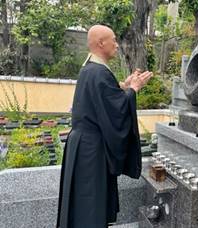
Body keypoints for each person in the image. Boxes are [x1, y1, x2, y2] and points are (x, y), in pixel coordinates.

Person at [56, 25, 153, 228]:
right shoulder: (99, 72)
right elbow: (115, 111)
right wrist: (133, 90)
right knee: (90, 206)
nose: (117, 45)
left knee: (81, 205)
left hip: (81, 146)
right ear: (101, 43)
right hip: (91, 151)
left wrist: (124, 87)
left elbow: (105, 98)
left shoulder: (90, 69)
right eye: (114, 40)